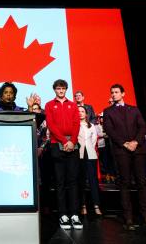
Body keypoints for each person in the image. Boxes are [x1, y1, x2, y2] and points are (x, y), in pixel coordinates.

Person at [103, 84, 146, 231]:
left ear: (123, 93)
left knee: (141, 182)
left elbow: (142, 127)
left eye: (116, 92)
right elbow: (109, 129)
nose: (114, 94)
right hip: (122, 151)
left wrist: (135, 141)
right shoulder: (108, 111)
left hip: (138, 150)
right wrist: (124, 143)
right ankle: (128, 218)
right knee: (124, 183)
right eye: (112, 92)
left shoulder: (134, 109)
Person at [44, 79, 82, 230]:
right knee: (60, 182)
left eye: (63, 88)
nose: (61, 91)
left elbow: (76, 123)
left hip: (72, 145)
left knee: (72, 181)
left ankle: (74, 214)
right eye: (58, 88)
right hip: (56, 145)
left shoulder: (73, 105)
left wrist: (72, 141)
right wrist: (63, 141)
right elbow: (51, 125)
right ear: (54, 90)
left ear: (66, 90)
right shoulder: (48, 104)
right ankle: (63, 214)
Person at [77, 106, 103, 216]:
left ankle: (96, 205)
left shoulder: (91, 125)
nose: (80, 113)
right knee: (81, 181)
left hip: (91, 154)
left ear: (86, 114)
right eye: (78, 112)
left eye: (82, 111)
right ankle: (83, 206)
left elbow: (94, 139)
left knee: (93, 181)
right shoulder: (74, 125)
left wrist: (90, 149)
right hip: (79, 155)